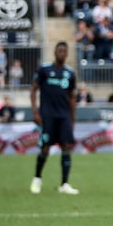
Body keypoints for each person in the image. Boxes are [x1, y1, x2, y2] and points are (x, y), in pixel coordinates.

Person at [29, 41, 79, 195]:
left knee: (66, 147)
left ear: (67, 54)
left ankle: (64, 184)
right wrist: (36, 112)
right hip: (47, 115)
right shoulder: (44, 69)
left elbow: (71, 97)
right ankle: (37, 178)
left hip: (63, 116)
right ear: (55, 52)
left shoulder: (70, 73)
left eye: (64, 51)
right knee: (45, 148)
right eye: (59, 51)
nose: (62, 53)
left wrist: (72, 118)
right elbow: (33, 90)